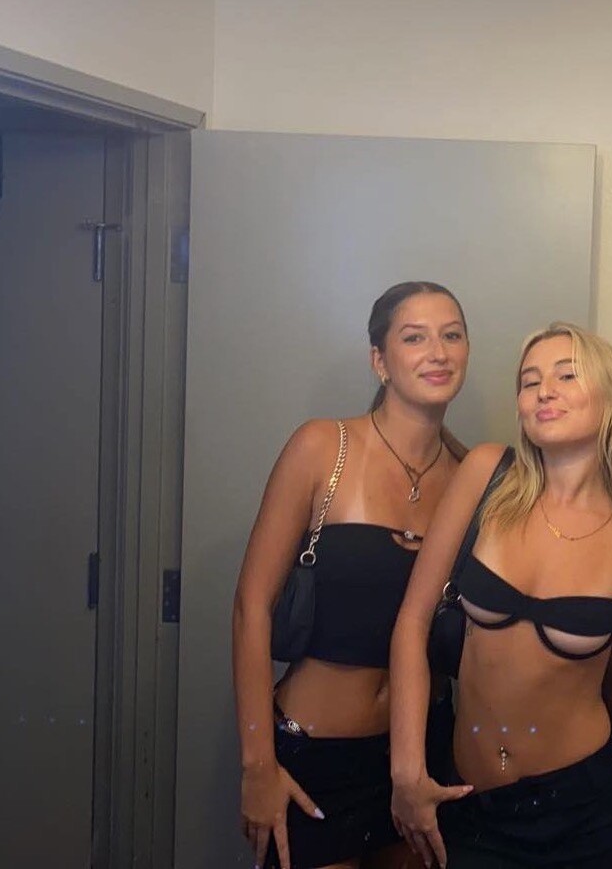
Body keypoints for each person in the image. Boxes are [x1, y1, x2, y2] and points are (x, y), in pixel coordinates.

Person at [391, 322, 612, 869]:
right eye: (529, 381)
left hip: (582, 812)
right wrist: (407, 770)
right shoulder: (485, 477)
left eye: (567, 376)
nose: (544, 391)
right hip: (467, 802)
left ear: (611, 398)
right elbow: (412, 621)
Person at [233, 281, 470, 869]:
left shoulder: (470, 475)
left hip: (420, 762)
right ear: (379, 360)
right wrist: (258, 764)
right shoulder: (323, 448)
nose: (437, 352)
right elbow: (251, 608)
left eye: (451, 335)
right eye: (414, 337)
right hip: (316, 758)